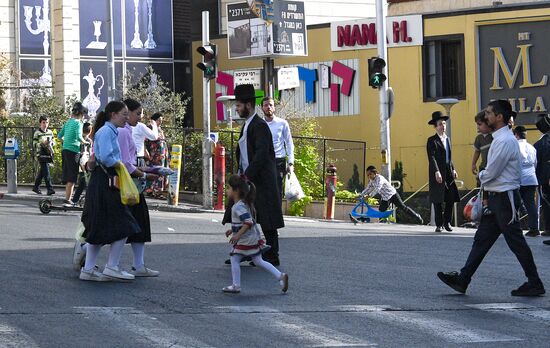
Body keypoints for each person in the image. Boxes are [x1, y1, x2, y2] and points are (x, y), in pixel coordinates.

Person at [437, 100, 545, 297]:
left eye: (488, 113)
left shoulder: (504, 141)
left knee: (516, 242)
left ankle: (535, 282)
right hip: (497, 199)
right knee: (482, 240)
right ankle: (463, 279)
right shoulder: (499, 139)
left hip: (505, 199)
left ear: (499, 117)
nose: (485, 116)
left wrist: (481, 175)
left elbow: (491, 172)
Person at [222, 84, 284, 266]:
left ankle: (272, 255)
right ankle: (247, 252)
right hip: (250, 179)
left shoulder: (259, 125)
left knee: (267, 219)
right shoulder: (249, 125)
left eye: (239, 105)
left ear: (248, 105)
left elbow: (262, 154)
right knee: (246, 217)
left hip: (261, 180)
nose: (237, 108)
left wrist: (246, 176)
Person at [79, 101, 141, 282]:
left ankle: (89, 269)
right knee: (125, 224)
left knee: (98, 226)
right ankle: (112, 266)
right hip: (107, 182)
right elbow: (106, 157)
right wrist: (118, 163)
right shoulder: (107, 132)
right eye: (124, 114)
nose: (126, 118)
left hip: (102, 182)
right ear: (113, 114)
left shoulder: (107, 131)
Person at [222, 175, 288, 293]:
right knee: (258, 261)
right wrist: (232, 230)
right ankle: (280, 276)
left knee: (235, 258)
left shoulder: (237, 207)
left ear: (236, 190)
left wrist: (237, 235)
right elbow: (244, 221)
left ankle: (236, 285)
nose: (227, 191)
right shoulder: (244, 204)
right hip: (252, 238)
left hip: (245, 239)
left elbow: (248, 222)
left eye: (229, 188)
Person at [119, 99, 160, 277]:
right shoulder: (121, 131)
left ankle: (138, 264)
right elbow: (125, 164)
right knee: (117, 225)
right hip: (124, 184)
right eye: (137, 113)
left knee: (139, 222)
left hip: (130, 182)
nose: (138, 117)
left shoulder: (125, 130)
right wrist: (143, 174)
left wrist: (144, 170)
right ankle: (96, 261)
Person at [426, 111, 460, 232]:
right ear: (435, 126)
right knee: (438, 199)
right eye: (440, 124)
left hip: (448, 171)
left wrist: (453, 168)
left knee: (450, 198)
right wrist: (436, 171)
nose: (443, 126)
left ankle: (447, 223)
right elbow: (432, 157)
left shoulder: (447, 139)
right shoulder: (432, 140)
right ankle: (439, 224)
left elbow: (449, 157)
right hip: (437, 172)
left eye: (444, 123)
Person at [262, 97, 295, 197]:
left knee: (277, 189)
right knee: (264, 189)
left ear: (274, 107)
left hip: (278, 160)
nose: (269, 107)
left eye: (271, 105)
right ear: (262, 108)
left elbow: (289, 143)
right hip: (264, 160)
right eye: (266, 105)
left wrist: (290, 163)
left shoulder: (282, 123)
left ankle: (277, 212)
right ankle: (265, 212)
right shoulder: (259, 124)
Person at [58, 102, 88, 204]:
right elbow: (79, 137)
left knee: (67, 175)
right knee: (73, 176)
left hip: (65, 150)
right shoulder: (78, 123)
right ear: (81, 114)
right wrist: (86, 142)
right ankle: (68, 199)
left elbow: (59, 136)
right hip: (74, 151)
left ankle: (67, 198)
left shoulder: (68, 122)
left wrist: (66, 142)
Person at [513, 126, 539, 237]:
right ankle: (534, 228)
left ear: (516, 135)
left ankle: (514, 227)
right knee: (531, 204)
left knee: (514, 204)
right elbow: (535, 163)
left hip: (519, 179)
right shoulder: (532, 147)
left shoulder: (515, 146)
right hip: (532, 179)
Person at [125, 99, 158, 167]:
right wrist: (154, 125)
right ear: (128, 112)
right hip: (135, 159)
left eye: (141, 113)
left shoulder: (128, 127)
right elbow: (154, 136)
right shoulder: (139, 126)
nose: (140, 117)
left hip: (131, 160)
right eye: (138, 113)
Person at [533, 113, 550, 244]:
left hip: (544, 178)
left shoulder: (539, 144)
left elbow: (536, 164)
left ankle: (548, 229)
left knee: (546, 203)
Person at [67, 122, 92, 206]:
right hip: (81, 161)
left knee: (83, 182)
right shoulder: (82, 140)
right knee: (83, 181)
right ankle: (75, 200)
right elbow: (82, 153)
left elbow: (89, 152)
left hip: (85, 162)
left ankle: (75, 199)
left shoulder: (88, 141)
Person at [145, 112, 168, 198]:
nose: (160, 122)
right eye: (159, 120)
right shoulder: (150, 128)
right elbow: (146, 141)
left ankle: (157, 191)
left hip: (161, 155)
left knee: (160, 172)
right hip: (154, 155)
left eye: (161, 120)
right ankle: (152, 191)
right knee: (154, 171)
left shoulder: (160, 129)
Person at [32, 115, 55, 195]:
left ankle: (36, 186)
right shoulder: (37, 133)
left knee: (43, 171)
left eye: (46, 122)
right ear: (40, 123)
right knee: (46, 171)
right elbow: (34, 144)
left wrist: (50, 143)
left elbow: (54, 142)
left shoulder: (50, 132)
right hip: (40, 154)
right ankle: (50, 188)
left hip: (48, 153)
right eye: (43, 122)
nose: (45, 124)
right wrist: (42, 143)